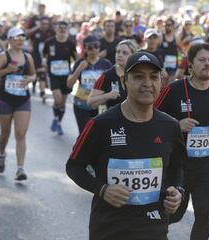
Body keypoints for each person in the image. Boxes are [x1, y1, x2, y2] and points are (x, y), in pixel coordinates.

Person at [66, 51, 185, 240]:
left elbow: (177, 167)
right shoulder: (100, 124)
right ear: (124, 82)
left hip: (153, 226)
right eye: (138, 77)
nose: (147, 83)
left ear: (161, 82)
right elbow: (73, 167)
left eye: (154, 77)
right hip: (109, 228)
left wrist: (177, 191)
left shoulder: (170, 126)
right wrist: (103, 189)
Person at [155, 43, 209, 240]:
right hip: (177, 166)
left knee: (203, 215)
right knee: (174, 214)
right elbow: (151, 118)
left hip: (206, 166)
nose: (207, 64)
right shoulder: (173, 90)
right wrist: (176, 125)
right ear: (190, 65)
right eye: (202, 60)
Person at [0, 27, 36, 181]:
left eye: (23, 37)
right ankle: (2, 154)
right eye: (17, 38)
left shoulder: (28, 57)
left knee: (21, 134)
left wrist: (30, 79)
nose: (20, 40)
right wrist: (6, 70)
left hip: (23, 100)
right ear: (9, 40)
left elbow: (33, 74)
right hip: (5, 100)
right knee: (5, 134)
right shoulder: (3, 57)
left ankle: (20, 169)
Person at [67, 35, 112, 134]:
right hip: (82, 105)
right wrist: (79, 69)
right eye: (90, 47)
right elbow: (69, 84)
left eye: (96, 46)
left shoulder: (106, 64)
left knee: (98, 135)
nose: (94, 50)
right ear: (85, 49)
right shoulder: (80, 62)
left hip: (100, 105)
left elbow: (111, 84)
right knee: (85, 134)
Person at [43, 21, 77, 135]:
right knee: (57, 100)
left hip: (66, 76)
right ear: (56, 29)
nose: (62, 30)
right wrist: (44, 63)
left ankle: (58, 122)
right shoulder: (49, 42)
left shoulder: (71, 43)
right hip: (54, 75)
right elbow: (44, 55)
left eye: (64, 28)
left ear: (67, 30)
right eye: (60, 28)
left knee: (62, 103)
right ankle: (56, 119)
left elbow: (76, 58)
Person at [88, 40, 137, 112]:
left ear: (132, 56)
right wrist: (107, 96)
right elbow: (90, 102)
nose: (120, 55)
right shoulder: (106, 75)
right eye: (118, 52)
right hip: (113, 119)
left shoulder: (138, 75)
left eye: (125, 53)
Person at [29, 16, 55, 101]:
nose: (45, 25)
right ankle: (37, 87)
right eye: (43, 24)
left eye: (46, 24)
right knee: (39, 73)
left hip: (47, 56)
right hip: (36, 55)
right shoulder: (35, 32)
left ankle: (42, 91)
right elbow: (27, 36)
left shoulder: (51, 32)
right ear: (40, 24)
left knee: (42, 73)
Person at [159, 18, 179, 85]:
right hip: (163, 65)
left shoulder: (176, 38)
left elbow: (182, 51)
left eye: (169, 25)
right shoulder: (161, 37)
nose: (167, 27)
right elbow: (156, 51)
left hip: (173, 65)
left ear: (173, 26)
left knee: (170, 86)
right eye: (165, 25)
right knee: (163, 86)